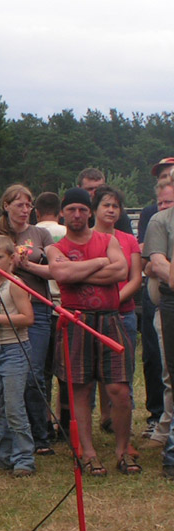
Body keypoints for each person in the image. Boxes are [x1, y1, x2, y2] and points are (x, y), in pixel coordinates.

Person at [47, 188, 137, 476]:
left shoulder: (108, 240)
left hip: (110, 320)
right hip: (76, 322)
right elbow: (62, 275)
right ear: (62, 213)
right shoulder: (55, 248)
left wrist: (78, 271)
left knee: (119, 389)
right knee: (81, 388)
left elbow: (120, 272)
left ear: (89, 212)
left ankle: (123, 450)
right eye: (71, 209)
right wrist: (99, 263)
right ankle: (88, 452)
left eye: (82, 209)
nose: (77, 214)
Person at [0, 185, 55, 455]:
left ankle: (41, 434)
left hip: (39, 307)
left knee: (34, 372)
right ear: (6, 206)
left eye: (29, 205)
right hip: (8, 308)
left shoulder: (41, 233)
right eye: (19, 204)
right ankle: (12, 433)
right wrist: (10, 265)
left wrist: (28, 265)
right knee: (8, 373)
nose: (25, 210)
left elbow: (54, 269)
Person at [0, 235, 36, 477]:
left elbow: (27, 318)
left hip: (15, 350)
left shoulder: (15, 284)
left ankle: (24, 458)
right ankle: (5, 455)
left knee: (13, 406)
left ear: (11, 259)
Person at [92, 185, 141, 434]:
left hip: (123, 313)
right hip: (91, 314)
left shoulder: (128, 240)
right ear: (95, 209)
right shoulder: (85, 237)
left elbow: (135, 278)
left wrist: (114, 300)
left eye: (115, 206)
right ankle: (103, 417)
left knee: (123, 373)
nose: (111, 210)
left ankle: (124, 427)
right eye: (106, 205)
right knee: (92, 371)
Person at [138, 160, 174, 437]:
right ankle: (166, 430)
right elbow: (152, 264)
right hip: (165, 304)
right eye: (160, 202)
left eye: (168, 201)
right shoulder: (157, 220)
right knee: (167, 369)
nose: (163, 206)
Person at [34, 192, 68, 438]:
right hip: (66, 305)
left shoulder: (32, 234)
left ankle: (45, 420)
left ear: (36, 212)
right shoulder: (67, 234)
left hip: (43, 305)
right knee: (66, 370)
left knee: (43, 370)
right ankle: (64, 420)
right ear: (60, 212)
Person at [77, 167, 134, 234]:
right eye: (90, 189)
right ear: (79, 188)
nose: (95, 192)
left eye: (99, 188)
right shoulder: (74, 212)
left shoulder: (116, 214)